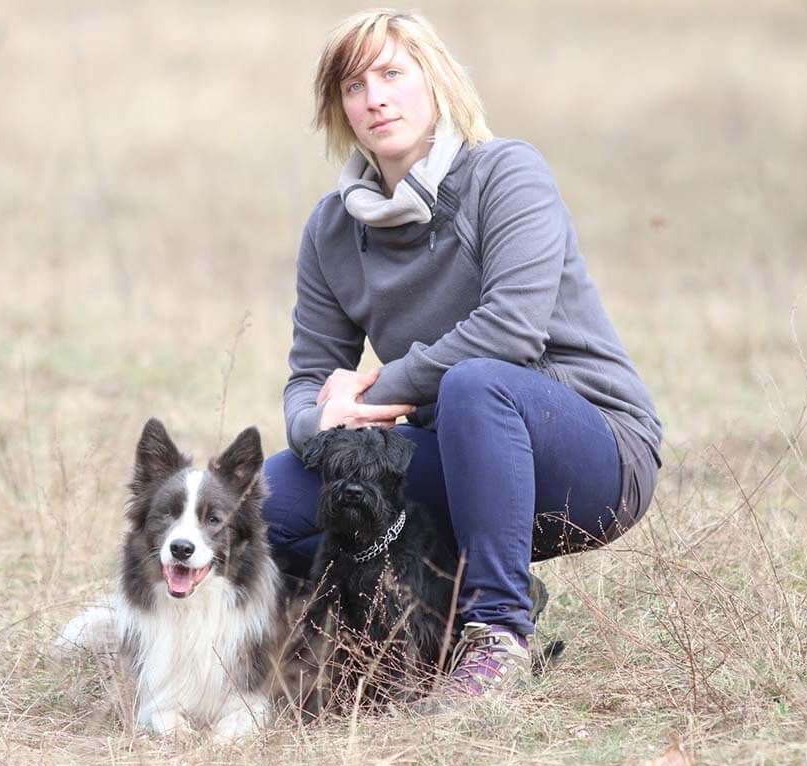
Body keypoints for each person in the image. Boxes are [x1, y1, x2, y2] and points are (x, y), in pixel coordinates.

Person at [263, 9, 663, 699]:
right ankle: (410, 611)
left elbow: (510, 331)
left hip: (589, 453)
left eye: (392, 74)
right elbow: (308, 379)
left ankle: (498, 637)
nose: (375, 98)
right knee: (267, 502)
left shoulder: (506, 173)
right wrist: (322, 423)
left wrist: (383, 386)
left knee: (476, 385)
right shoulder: (330, 229)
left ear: (437, 82)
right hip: (452, 451)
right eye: (354, 87)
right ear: (340, 110)